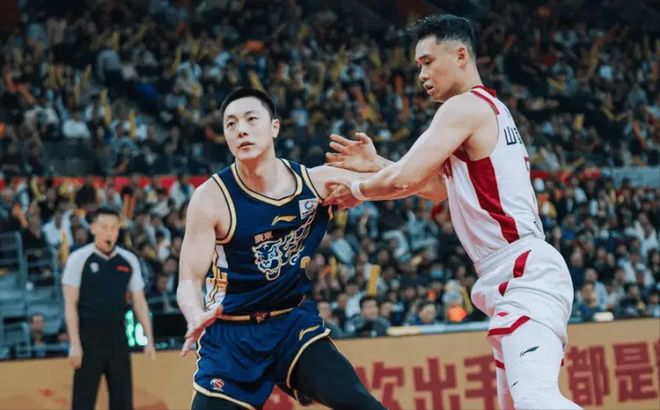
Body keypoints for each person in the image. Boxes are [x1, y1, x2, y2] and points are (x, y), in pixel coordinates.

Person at [324, 14, 580, 410]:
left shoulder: (463, 108)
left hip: (523, 271)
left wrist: (357, 190)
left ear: (460, 55)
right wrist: (376, 166)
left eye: (427, 62)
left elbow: (405, 179)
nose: (422, 75)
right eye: (418, 66)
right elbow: (436, 190)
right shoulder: (487, 109)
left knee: (535, 399)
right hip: (514, 273)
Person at [177, 88, 443, 409]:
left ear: (274, 127)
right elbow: (188, 279)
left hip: (290, 324)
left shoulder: (315, 182)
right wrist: (194, 313)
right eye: (231, 124)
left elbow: (427, 187)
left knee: (359, 402)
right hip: (231, 335)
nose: (241, 130)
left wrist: (375, 163)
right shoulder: (211, 199)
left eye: (251, 119)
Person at [62, 206, 156, 410]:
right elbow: (70, 304)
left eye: (114, 228)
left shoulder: (128, 260)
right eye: (104, 227)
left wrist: (149, 338)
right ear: (93, 228)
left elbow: (139, 301)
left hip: (118, 339)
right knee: (82, 403)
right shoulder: (79, 259)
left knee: (123, 402)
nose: (109, 232)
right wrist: (75, 344)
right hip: (88, 339)